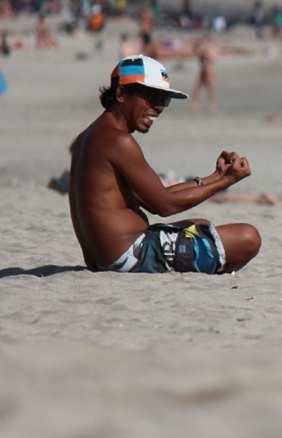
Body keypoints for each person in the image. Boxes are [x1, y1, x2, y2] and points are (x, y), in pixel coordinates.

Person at [68, 55, 261, 273]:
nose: (159, 107)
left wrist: (216, 176)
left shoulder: (91, 136)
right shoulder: (118, 141)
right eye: (151, 96)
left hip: (103, 258)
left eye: (164, 99)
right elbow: (165, 206)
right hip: (131, 256)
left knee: (200, 223)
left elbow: (155, 197)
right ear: (121, 94)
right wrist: (228, 180)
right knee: (248, 237)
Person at [191, 33, 220, 112]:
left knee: (210, 87)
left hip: (209, 69)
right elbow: (196, 53)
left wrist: (204, 52)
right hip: (203, 69)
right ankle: (196, 103)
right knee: (199, 87)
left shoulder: (209, 48)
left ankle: (213, 103)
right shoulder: (204, 48)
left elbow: (212, 58)